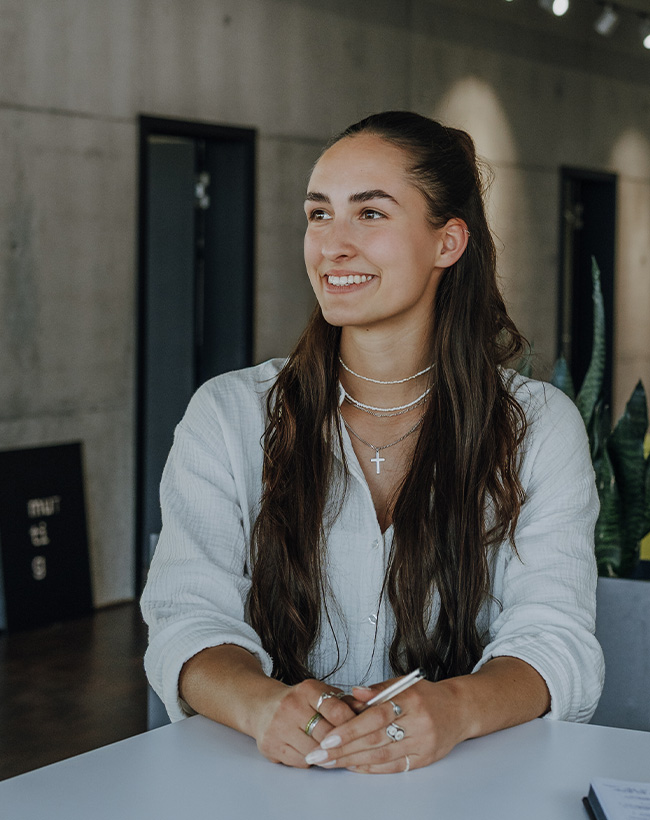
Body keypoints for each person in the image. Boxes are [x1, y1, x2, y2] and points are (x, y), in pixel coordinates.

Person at [141, 110, 604, 775]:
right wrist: (262, 707)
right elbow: (186, 619)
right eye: (319, 214)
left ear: (447, 243)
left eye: (370, 214)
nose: (332, 245)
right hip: (267, 781)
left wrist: (455, 709)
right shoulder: (229, 414)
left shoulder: (536, 427)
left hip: (466, 781)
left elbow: (556, 641)